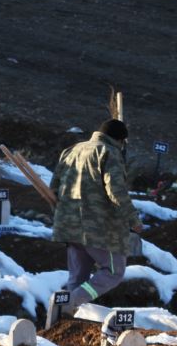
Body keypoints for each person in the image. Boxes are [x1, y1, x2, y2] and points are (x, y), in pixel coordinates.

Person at [47, 119, 142, 324]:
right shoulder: (109, 153)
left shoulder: (71, 150)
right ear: (120, 139)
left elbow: (53, 187)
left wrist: (63, 215)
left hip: (69, 226)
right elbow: (116, 190)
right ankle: (71, 302)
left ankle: (61, 322)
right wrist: (133, 219)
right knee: (113, 272)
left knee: (77, 278)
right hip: (99, 229)